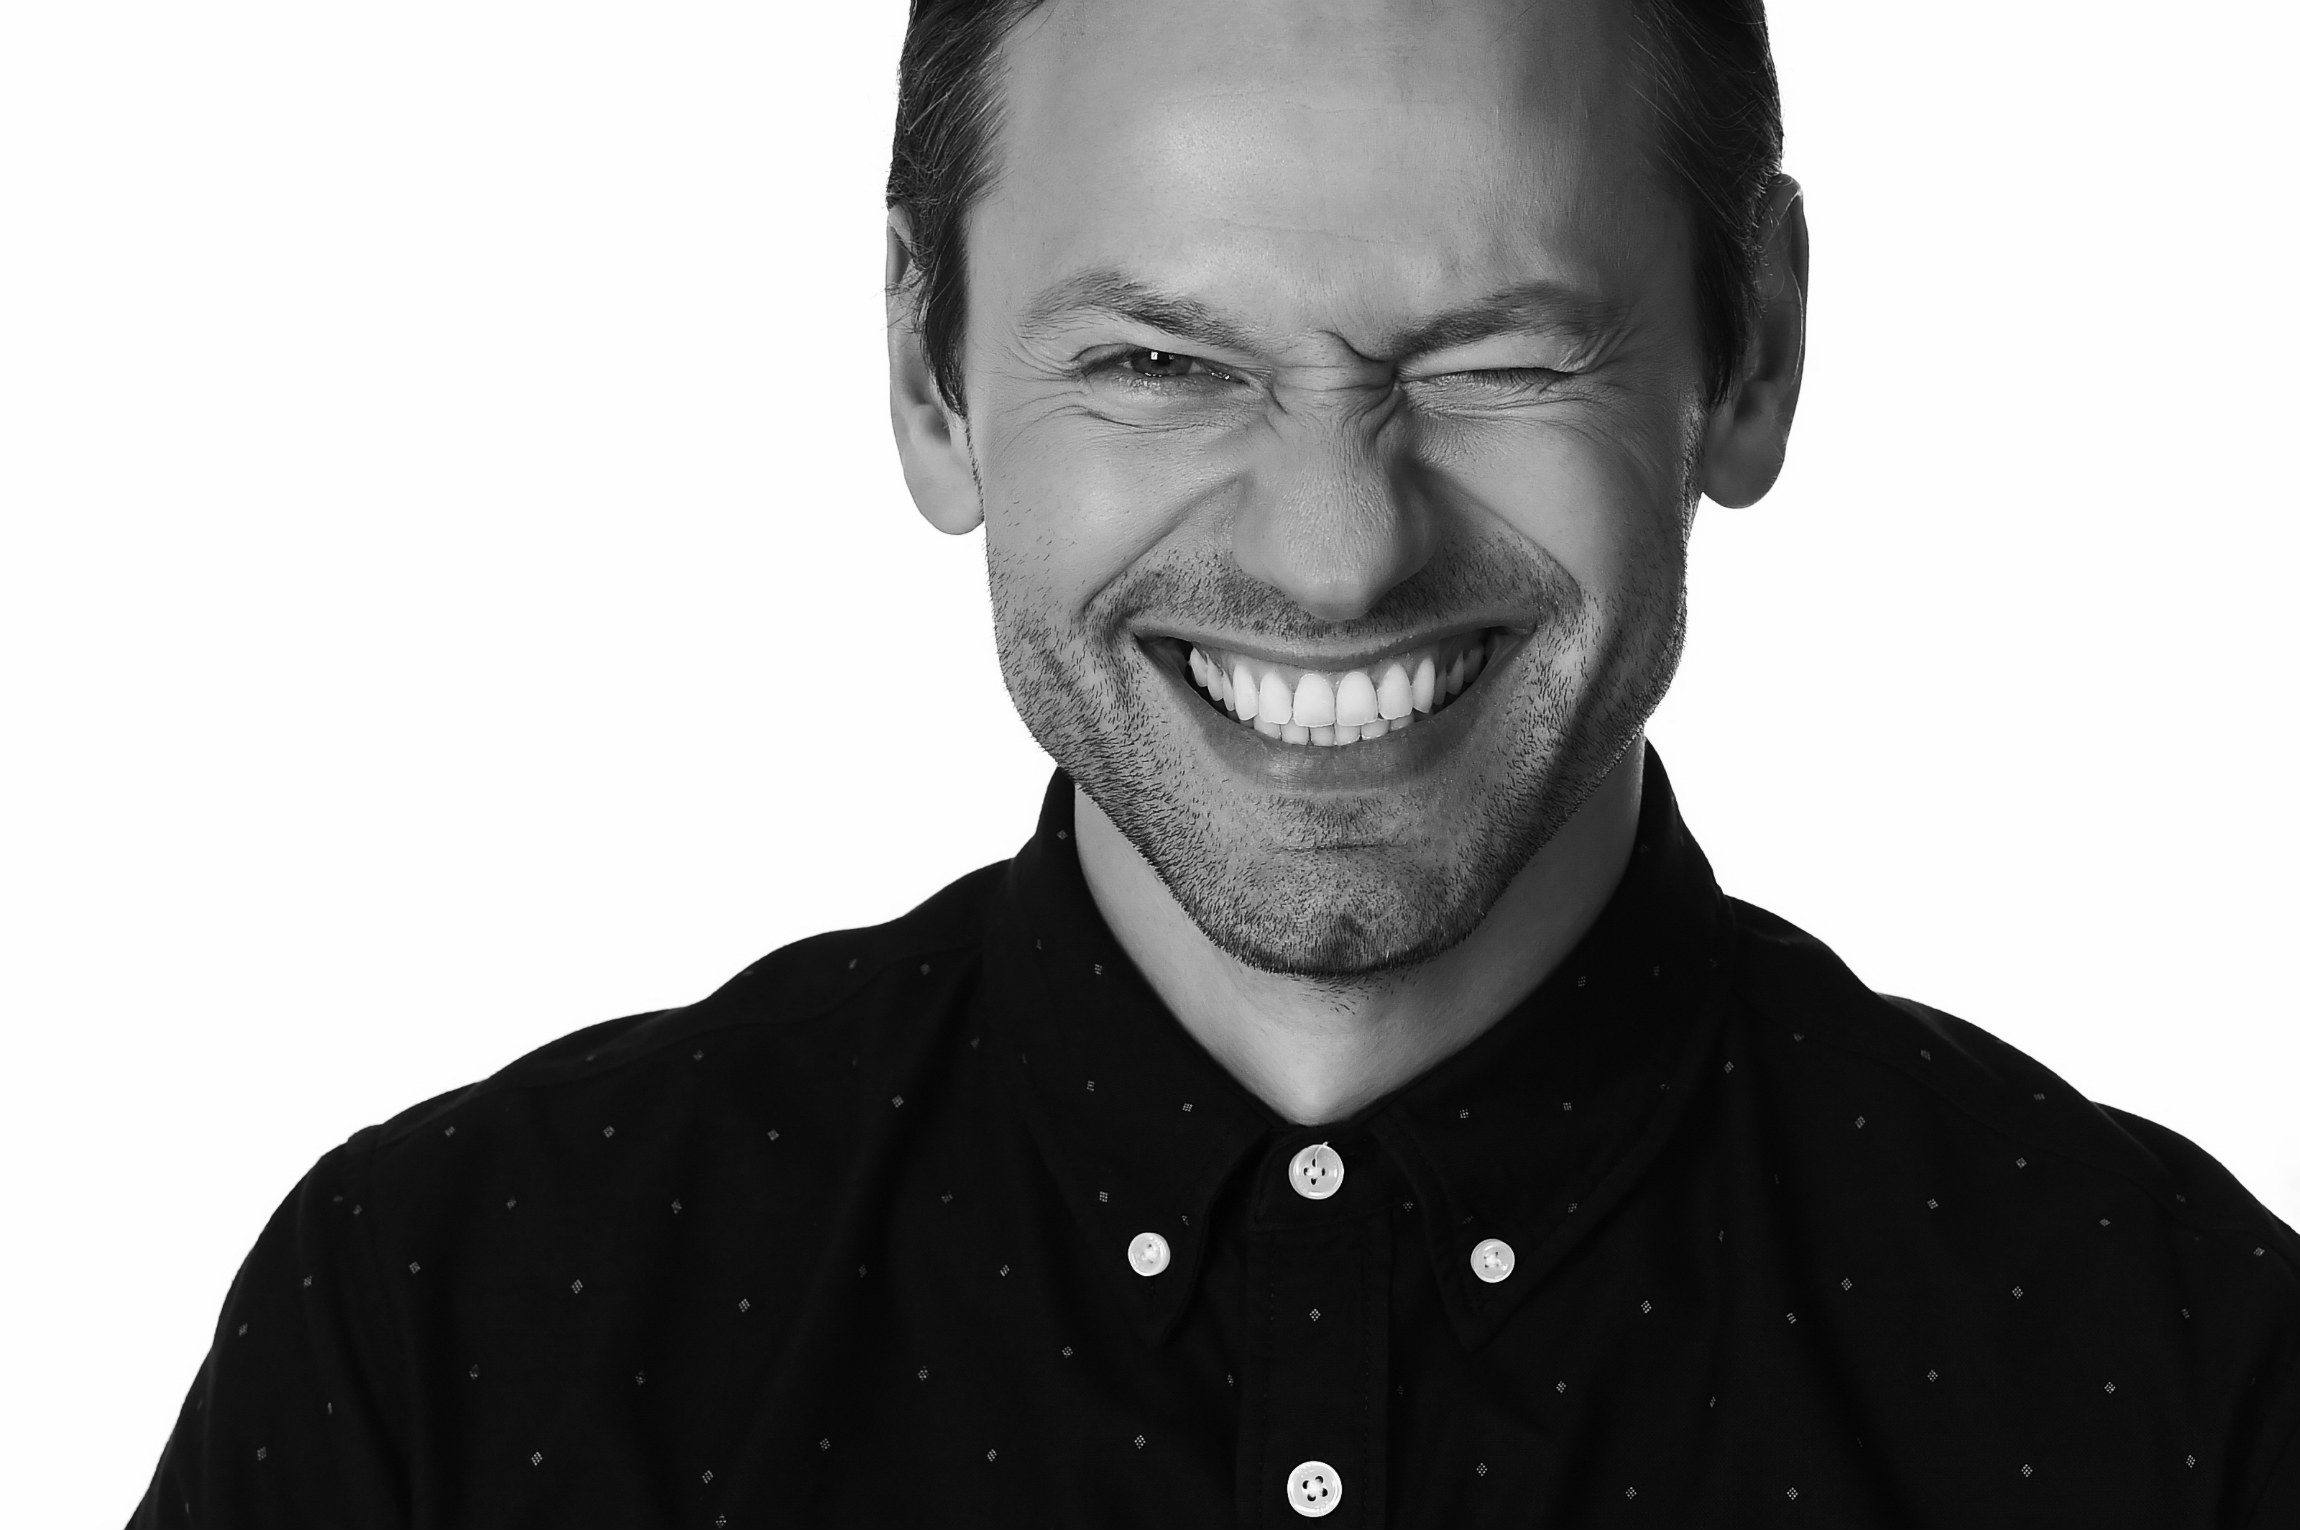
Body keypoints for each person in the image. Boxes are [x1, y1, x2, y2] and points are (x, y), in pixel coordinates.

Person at [132, 0, 2300, 1523]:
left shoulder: (2190, 1390)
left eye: (1498, 359)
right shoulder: (438, 1339)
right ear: (927, 380)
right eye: (1162, 363)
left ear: (1756, 354)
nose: (1336, 552)